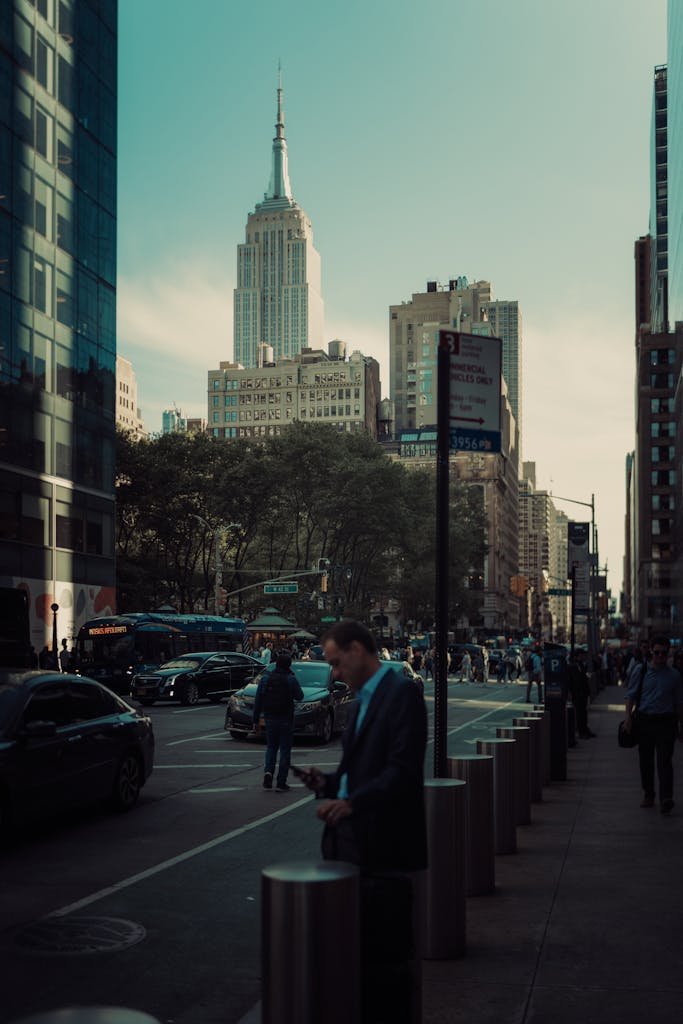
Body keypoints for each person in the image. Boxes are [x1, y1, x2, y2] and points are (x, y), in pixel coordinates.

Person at [297, 620, 427, 1024]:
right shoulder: (359, 702)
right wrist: (329, 784)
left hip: (384, 851)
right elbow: (358, 772)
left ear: (358, 650)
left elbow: (402, 772)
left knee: (386, 970)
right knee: (355, 961)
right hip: (350, 846)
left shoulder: (402, 693)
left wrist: (352, 802)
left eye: (336, 663)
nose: (334, 673)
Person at [623, 635, 683, 813]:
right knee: (646, 760)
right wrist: (628, 718)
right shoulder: (640, 671)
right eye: (657, 652)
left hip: (666, 722)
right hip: (645, 720)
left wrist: (681, 725)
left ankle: (666, 797)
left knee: (665, 760)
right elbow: (630, 696)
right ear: (651, 651)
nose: (660, 656)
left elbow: (679, 703)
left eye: (664, 653)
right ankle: (649, 794)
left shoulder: (674, 676)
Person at [252, 652, 303, 792]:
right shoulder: (290, 679)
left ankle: (268, 772)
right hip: (286, 719)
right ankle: (281, 782)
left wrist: (255, 719)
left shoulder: (265, 678)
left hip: (269, 718)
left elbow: (258, 700)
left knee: (271, 747)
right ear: (289, 665)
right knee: (285, 750)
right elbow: (300, 696)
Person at [568, 648, 594, 738]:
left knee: (584, 712)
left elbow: (583, 678)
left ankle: (585, 729)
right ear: (578, 656)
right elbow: (573, 681)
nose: (584, 656)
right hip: (578, 693)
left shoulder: (581, 665)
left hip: (583, 692)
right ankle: (581, 732)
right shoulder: (573, 666)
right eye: (582, 655)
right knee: (580, 713)